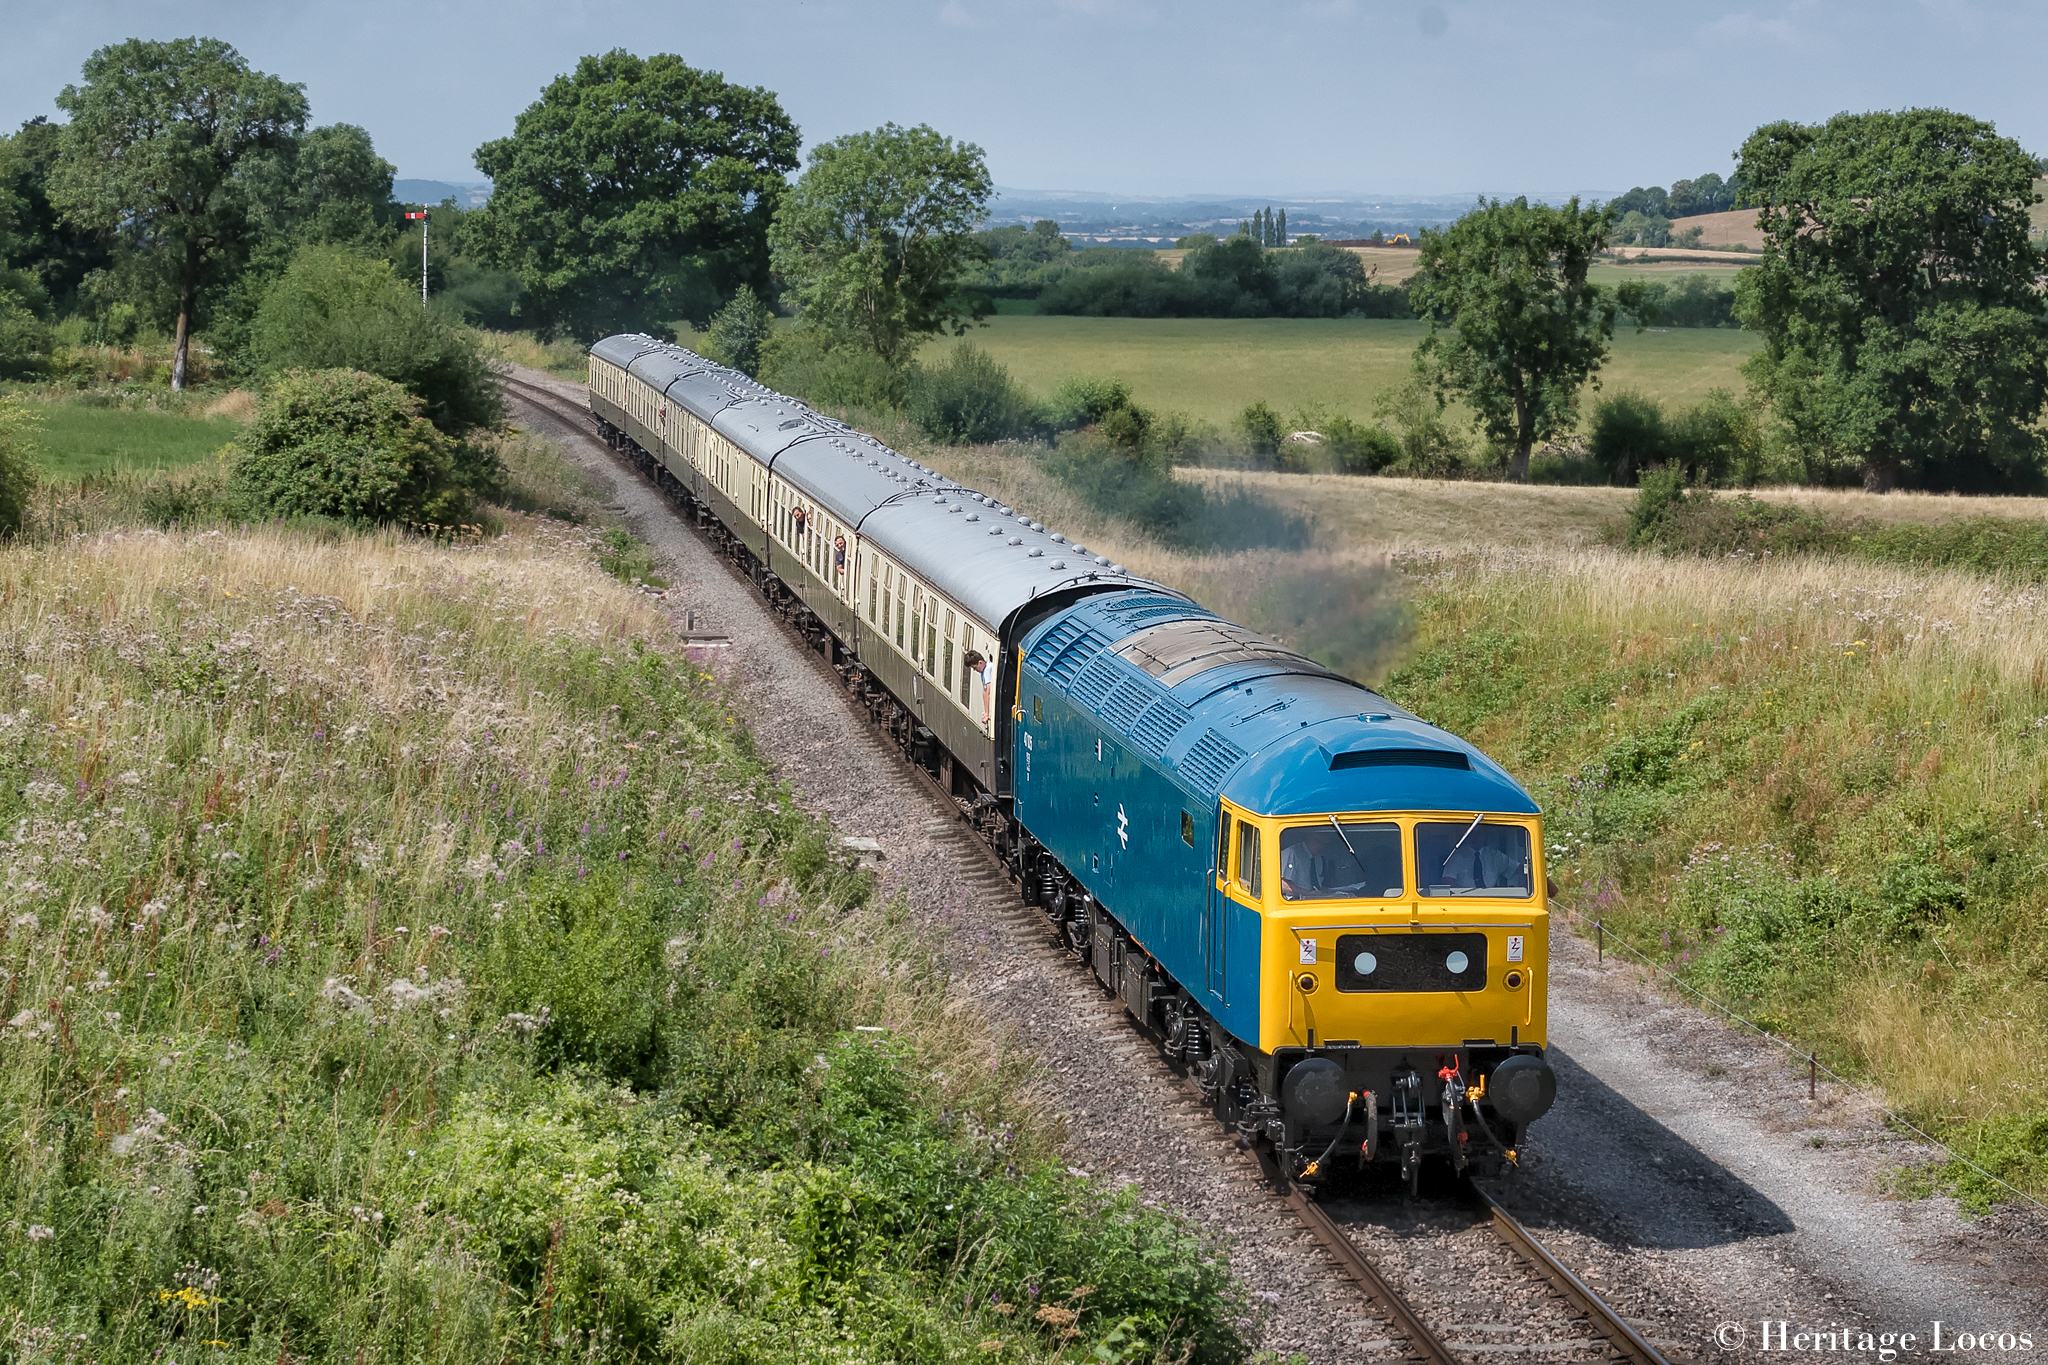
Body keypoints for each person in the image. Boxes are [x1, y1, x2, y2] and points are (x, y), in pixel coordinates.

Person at [964, 649, 994, 729]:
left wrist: (987, 713)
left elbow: (989, 692)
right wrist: (985, 710)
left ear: (980, 662)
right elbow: (984, 691)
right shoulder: (983, 672)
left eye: (975, 667)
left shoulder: (988, 670)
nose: (975, 670)